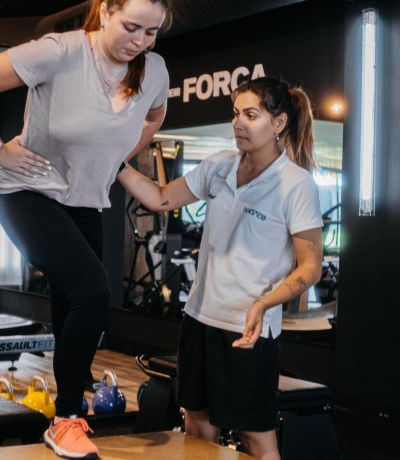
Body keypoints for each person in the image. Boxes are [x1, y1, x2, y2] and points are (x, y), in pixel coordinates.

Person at [0, 0, 171, 458]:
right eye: (131, 27)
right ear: (105, 12)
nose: (140, 40)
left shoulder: (153, 70)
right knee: (94, 294)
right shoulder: (61, 51)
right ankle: (68, 417)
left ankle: (62, 412)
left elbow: (155, 113)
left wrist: (118, 155)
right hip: (25, 191)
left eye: (152, 31)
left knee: (72, 304)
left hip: (86, 199)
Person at [117, 76, 324, 460]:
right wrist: (118, 164)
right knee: (197, 429)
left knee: (256, 440)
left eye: (251, 114)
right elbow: (161, 198)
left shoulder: (296, 185)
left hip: (249, 331)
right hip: (199, 318)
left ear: (278, 124)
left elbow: (310, 268)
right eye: (235, 114)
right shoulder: (218, 167)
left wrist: (264, 304)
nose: (238, 123)